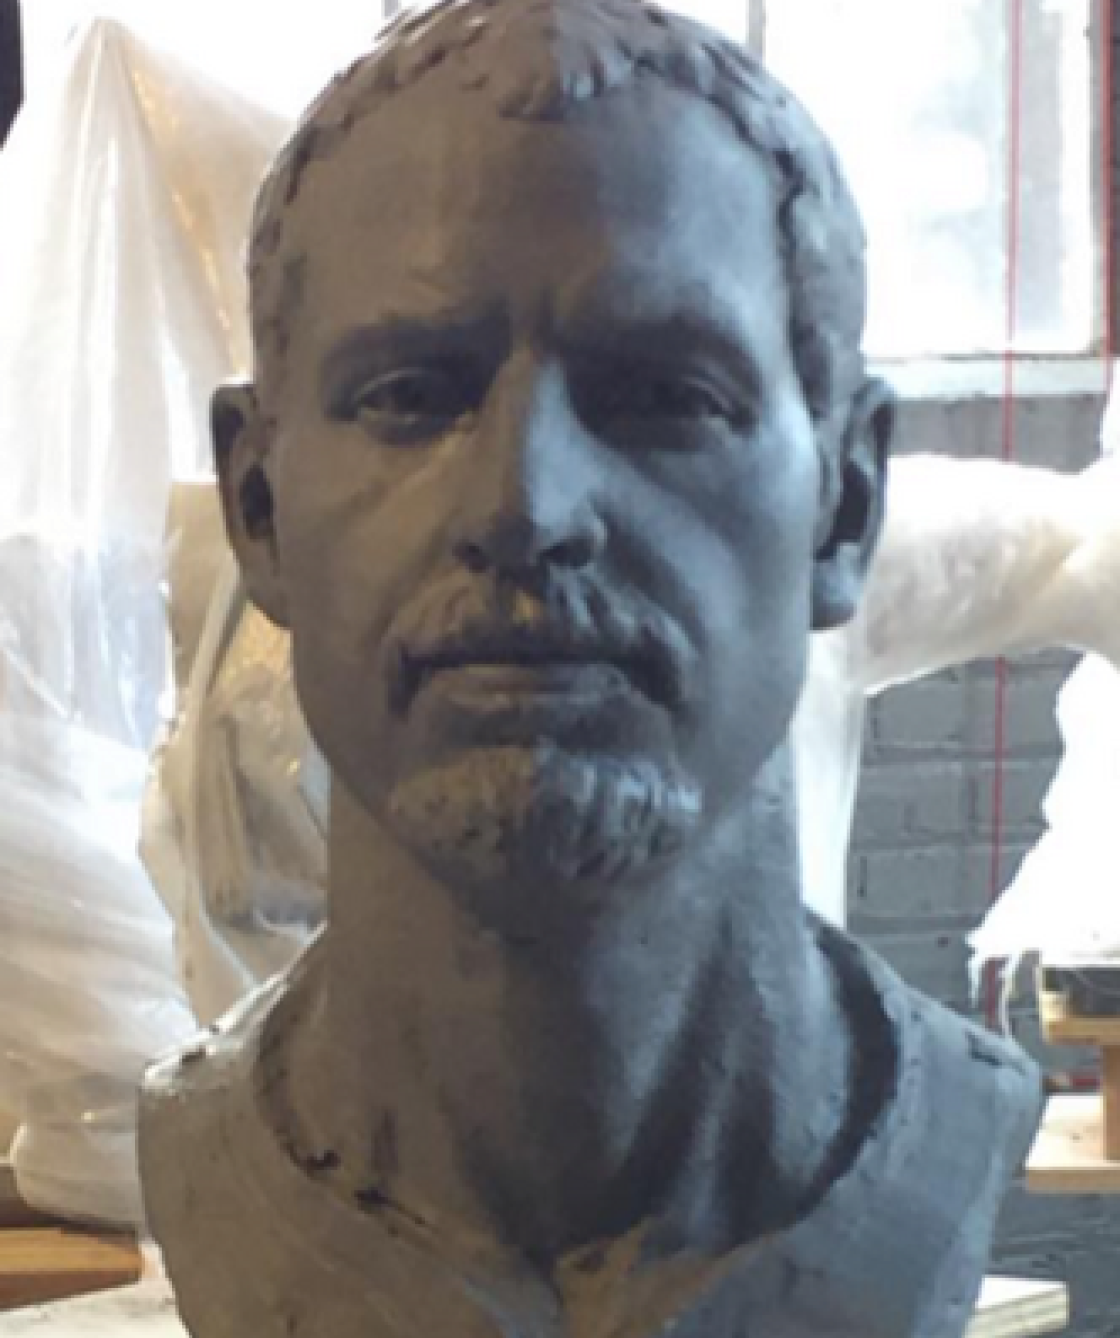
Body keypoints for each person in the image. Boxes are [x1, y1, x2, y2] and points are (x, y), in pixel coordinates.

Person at [140, 4, 1042, 1335]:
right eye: (411, 394)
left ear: (845, 504)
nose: (526, 504)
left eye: (666, 396)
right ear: (258, 506)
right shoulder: (196, 1153)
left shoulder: (945, 1141)